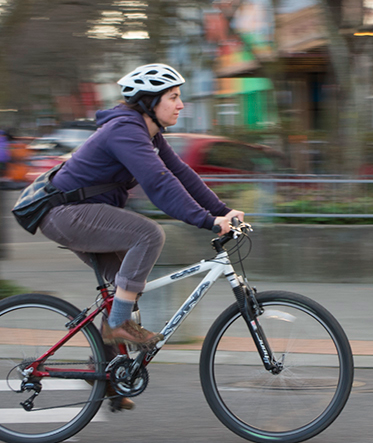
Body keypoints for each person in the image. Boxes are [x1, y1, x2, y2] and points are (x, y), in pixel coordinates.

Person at [36, 63, 244, 353]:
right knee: (148, 235)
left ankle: (110, 370)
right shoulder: (125, 130)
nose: (181, 105)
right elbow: (159, 183)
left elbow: (182, 175)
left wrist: (222, 211)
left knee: (129, 286)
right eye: (173, 97)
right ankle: (118, 325)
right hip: (66, 213)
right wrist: (207, 220)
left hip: (81, 213)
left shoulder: (148, 133)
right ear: (149, 101)